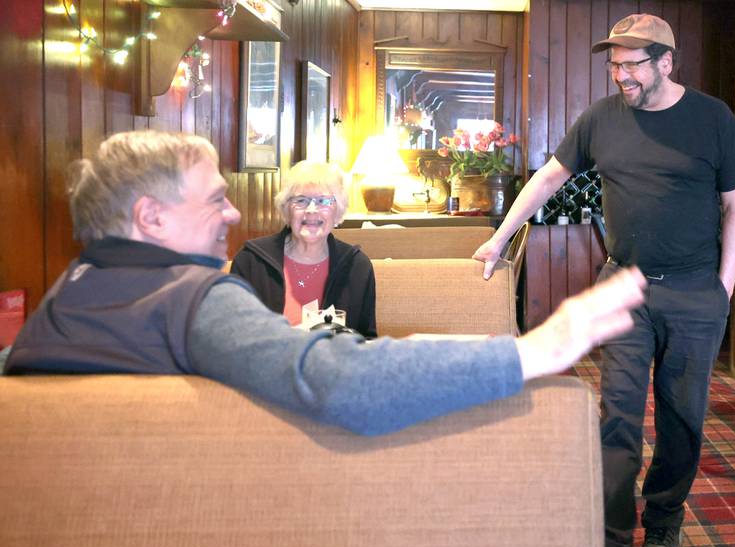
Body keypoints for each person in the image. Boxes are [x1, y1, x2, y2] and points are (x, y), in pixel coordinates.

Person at [3, 129, 646, 440]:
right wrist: (537, 349)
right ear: (152, 217)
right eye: (215, 200)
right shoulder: (193, 301)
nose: (232, 215)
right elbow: (345, 382)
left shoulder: (71, 292)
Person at [473, 13, 735, 547]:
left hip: (695, 291)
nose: (621, 76)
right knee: (618, 416)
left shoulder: (712, 119)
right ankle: (613, 535)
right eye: (614, 66)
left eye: (632, 65)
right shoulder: (602, 118)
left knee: (682, 418)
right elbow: (550, 177)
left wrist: (721, 290)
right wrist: (501, 238)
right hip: (622, 285)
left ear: (666, 63)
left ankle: (665, 522)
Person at [231, 161, 376, 338]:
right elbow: (234, 337)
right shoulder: (251, 261)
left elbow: (366, 338)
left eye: (323, 201)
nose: (312, 210)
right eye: (301, 200)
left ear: (338, 210)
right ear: (286, 209)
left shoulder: (357, 266)